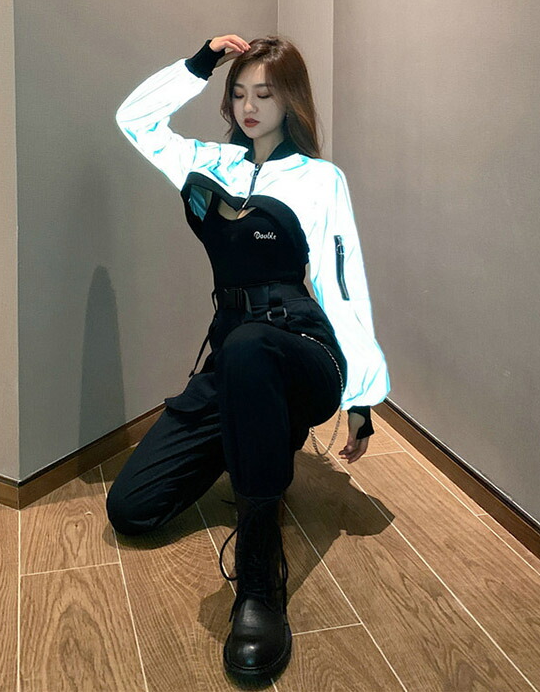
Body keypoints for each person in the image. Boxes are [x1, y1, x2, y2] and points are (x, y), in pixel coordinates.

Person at [107, 34, 390, 682]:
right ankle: (257, 434)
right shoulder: (212, 164)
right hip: (234, 360)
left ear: (290, 100)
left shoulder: (319, 179)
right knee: (132, 508)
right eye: (238, 93)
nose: (249, 106)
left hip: (300, 347)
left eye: (264, 93)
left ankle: (260, 584)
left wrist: (362, 397)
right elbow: (135, 121)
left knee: (251, 347)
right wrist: (199, 64)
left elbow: (343, 284)